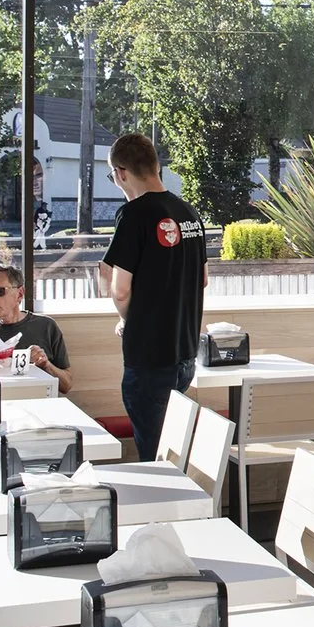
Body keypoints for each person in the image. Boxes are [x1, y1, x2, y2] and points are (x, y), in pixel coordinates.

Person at [101, 133, 207, 462]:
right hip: (185, 356)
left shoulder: (134, 215)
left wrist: (127, 318)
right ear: (156, 166)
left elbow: (120, 289)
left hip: (149, 359)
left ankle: (167, 513)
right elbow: (202, 279)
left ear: (120, 173)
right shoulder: (188, 212)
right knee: (173, 451)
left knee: (155, 459)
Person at [0, 263, 73, 393]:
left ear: (20, 294)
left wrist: (45, 365)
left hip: (38, 401)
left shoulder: (46, 326)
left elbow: (66, 385)